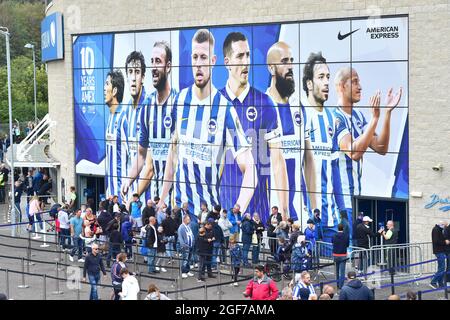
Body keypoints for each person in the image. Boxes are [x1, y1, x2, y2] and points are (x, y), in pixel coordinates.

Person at [219, 32, 288, 222]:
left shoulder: (265, 103)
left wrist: (284, 212)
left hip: (259, 215)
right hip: (224, 216)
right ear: (227, 61)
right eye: (240, 56)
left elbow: (278, 161)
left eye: (248, 55)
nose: (246, 61)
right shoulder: (215, 103)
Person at [333, 67, 402, 238]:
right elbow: (354, 153)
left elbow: (381, 147)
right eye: (355, 81)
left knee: (357, 246)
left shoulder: (358, 117)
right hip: (341, 200)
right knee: (348, 246)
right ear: (342, 86)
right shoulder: (335, 118)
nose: (360, 86)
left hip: (356, 195)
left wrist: (386, 113)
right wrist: (374, 119)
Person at [265, 41, 317, 226]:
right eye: (284, 61)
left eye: (292, 61)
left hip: (300, 208)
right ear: (271, 68)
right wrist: (283, 212)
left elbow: (308, 159)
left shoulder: (299, 106)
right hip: (274, 208)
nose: (290, 67)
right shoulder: (263, 106)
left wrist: (314, 206)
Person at [122, 42, 177, 204]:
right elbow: (142, 155)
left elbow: (174, 161)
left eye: (158, 61)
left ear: (168, 66)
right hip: (155, 200)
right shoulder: (146, 107)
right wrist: (129, 180)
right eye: (152, 61)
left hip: (176, 202)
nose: (154, 67)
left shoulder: (179, 104)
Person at [302, 52, 345, 243]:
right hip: (308, 217)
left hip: (331, 218)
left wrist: (342, 208)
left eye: (328, 77)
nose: (326, 82)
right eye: (321, 77)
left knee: (331, 268)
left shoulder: (332, 118)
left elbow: (335, 168)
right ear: (309, 84)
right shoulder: (300, 114)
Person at [104, 70, 129, 203]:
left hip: (122, 196)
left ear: (114, 91)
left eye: (107, 84)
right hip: (110, 194)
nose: (104, 88)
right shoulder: (110, 117)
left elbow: (133, 156)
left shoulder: (123, 119)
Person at [430, 221, 449, 289]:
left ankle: (440, 283)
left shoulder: (439, 229)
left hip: (441, 251)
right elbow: (436, 241)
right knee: (442, 268)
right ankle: (433, 282)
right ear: (442, 224)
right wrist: (445, 242)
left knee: (441, 267)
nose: (445, 227)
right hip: (439, 251)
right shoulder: (436, 230)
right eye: (445, 226)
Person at [332, 223, 349, 289]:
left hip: (335, 255)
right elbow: (347, 245)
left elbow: (332, 242)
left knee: (336, 271)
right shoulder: (346, 236)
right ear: (343, 228)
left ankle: (337, 284)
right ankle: (341, 286)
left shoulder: (334, 236)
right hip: (343, 255)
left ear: (337, 228)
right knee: (342, 272)